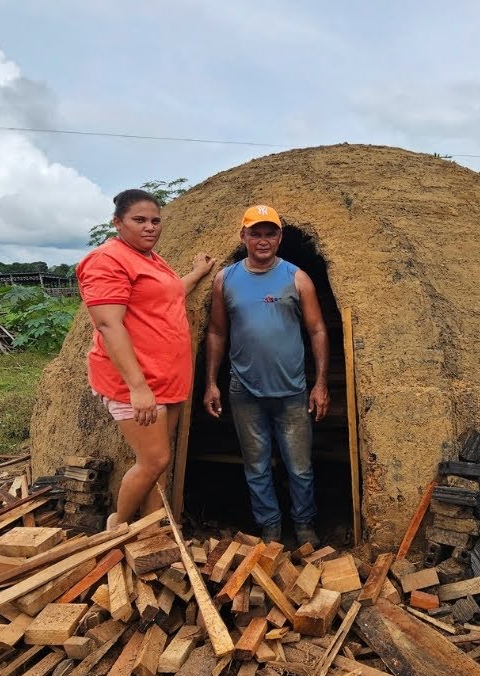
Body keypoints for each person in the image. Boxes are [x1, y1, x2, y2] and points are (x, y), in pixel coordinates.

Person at [76, 189, 215, 530]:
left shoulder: (150, 258)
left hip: (166, 378)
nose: (150, 227)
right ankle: (118, 524)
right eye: (139, 220)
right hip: (135, 382)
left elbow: (166, 295)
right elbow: (109, 324)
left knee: (158, 463)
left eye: (155, 220)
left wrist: (196, 274)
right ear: (117, 222)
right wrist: (138, 387)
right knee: (155, 459)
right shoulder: (107, 260)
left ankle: (152, 527)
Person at [203, 205, 330, 546]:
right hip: (244, 391)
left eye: (269, 233)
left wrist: (320, 384)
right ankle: (270, 527)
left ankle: (304, 526)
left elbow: (317, 329)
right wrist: (211, 382)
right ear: (243, 236)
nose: (263, 240)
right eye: (255, 233)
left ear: (280, 237)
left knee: (299, 466)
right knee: (257, 465)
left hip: (291, 391)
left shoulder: (296, 277)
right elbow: (216, 332)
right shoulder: (225, 279)